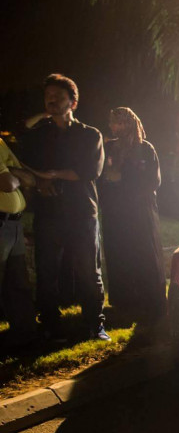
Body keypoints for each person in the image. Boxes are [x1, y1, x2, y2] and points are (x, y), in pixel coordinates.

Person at [20, 74, 107, 341]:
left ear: (73, 102)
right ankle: (50, 325)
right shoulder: (41, 134)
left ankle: (95, 324)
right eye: (48, 96)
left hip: (81, 212)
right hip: (48, 213)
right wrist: (40, 181)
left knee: (88, 271)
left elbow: (89, 171)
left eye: (58, 96)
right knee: (46, 271)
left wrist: (52, 175)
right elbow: (21, 144)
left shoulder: (90, 134)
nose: (52, 100)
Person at [98, 107, 166, 327]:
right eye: (112, 122)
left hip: (140, 213)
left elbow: (153, 181)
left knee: (144, 253)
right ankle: (124, 301)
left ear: (129, 123)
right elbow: (101, 177)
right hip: (115, 213)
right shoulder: (109, 148)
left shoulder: (145, 149)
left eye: (118, 122)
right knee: (119, 253)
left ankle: (151, 301)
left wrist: (122, 178)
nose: (113, 126)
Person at [0, 137, 37, 348]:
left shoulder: (1, 143)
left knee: (18, 284)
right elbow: (8, 184)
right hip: (1, 223)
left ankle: (25, 337)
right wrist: (14, 175)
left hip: (13, 224)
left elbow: (30, 179)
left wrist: (11, 172)